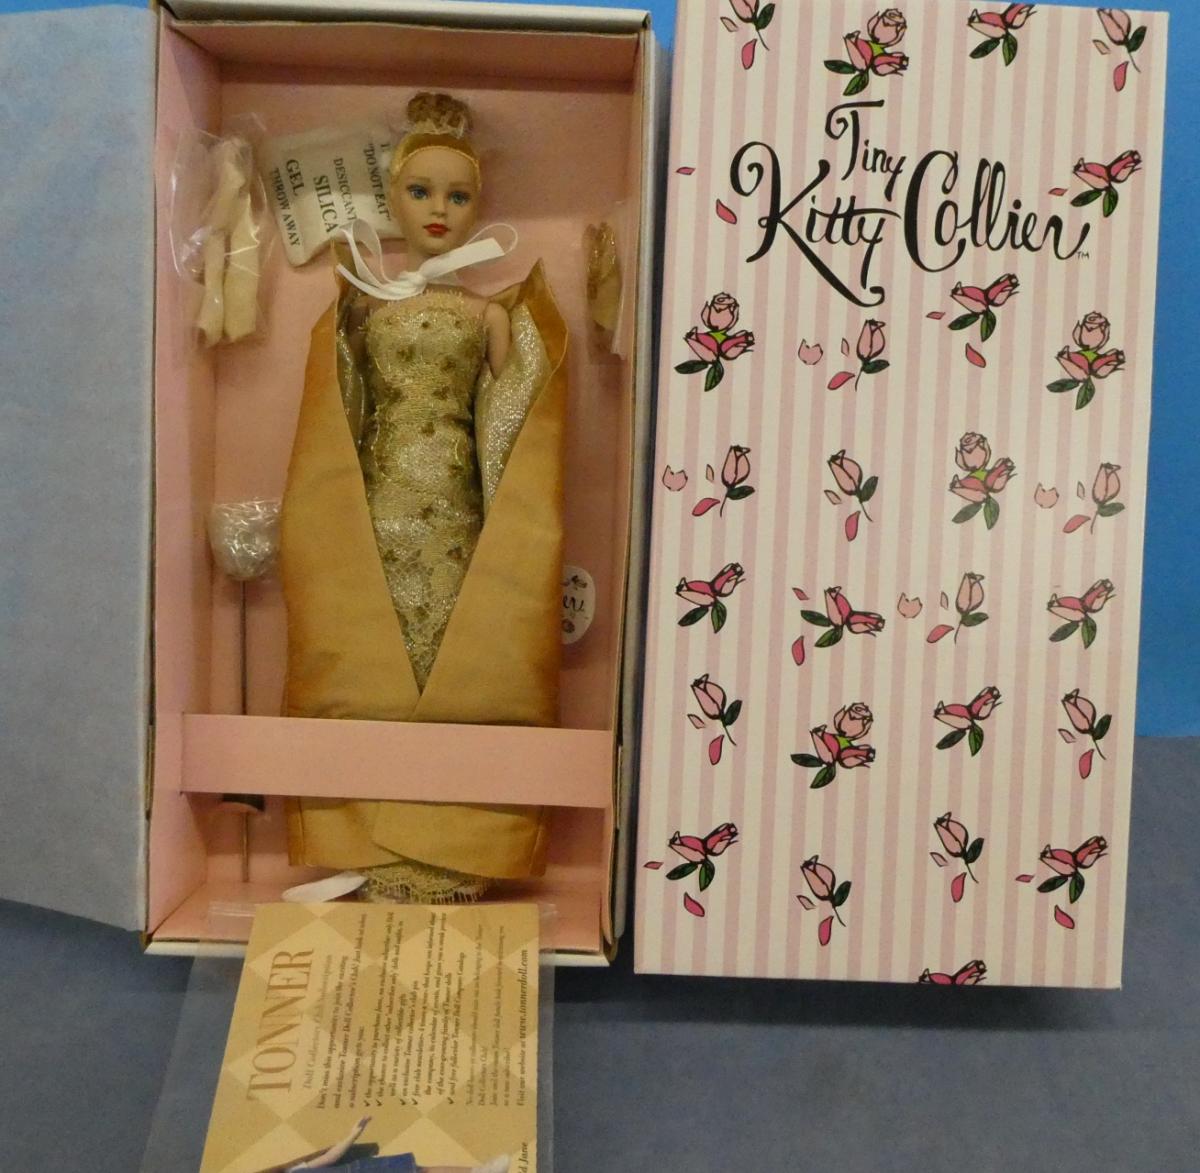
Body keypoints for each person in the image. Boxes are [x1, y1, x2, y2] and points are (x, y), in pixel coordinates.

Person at [280, 93, 567, 903]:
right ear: (393, 198)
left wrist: (531, 348)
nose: (439, 209)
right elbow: (341, 409)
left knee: (454, 652)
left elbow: (513, 413)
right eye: (420, 191)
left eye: (458, 195)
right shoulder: (363, 304)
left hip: (456, 505)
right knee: (370, 647)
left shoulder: (485, 313)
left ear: (478, 205)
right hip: (375, 502)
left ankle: (455, 836)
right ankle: (368, 833)